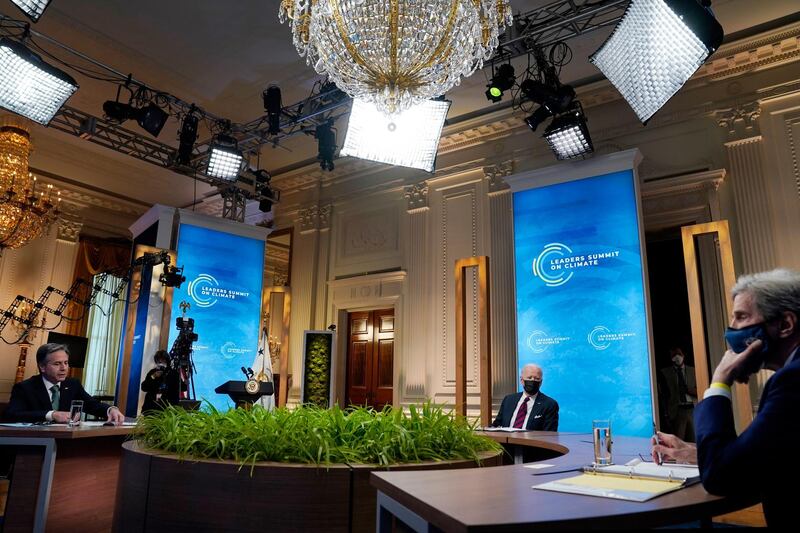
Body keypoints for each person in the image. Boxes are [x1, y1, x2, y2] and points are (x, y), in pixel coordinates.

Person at [692, 269, 800, 528]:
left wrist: (719, 381)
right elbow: (765, 454)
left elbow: (721, 477)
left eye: (741, 317)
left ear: (785, 324)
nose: (732, 331)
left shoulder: (792, 381)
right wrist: (699, 452)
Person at [6, 343, 125, 424]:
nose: (64, 368)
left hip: (66, 444)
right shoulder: (25, 387)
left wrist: (110, 409)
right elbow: (12, 415)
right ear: (42, 367)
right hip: (34, 446)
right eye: (57, 364)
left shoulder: (73, 384)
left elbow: (92, 405)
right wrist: (52, 415)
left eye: (66, 363)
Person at [492, 363, 558, 430]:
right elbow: (497, 425)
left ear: (541, 382)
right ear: (522, 380)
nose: (532, 380)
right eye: (529, 378)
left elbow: (549, 433)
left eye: (536, 378)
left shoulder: (549, 404)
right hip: (506, 439)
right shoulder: (509, 400)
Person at [659, 347, 697, 441]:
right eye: (673, 355)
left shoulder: (694, 370)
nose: (677, 357)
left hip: (693, 409)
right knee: (678, 441)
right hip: (677, 411)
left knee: (694, 440)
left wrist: (690, 390)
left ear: (683, 355)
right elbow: (663, 394)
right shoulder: (665, 372)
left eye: (679, 354)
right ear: (670, 357)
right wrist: (666, 414)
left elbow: (702, 389)